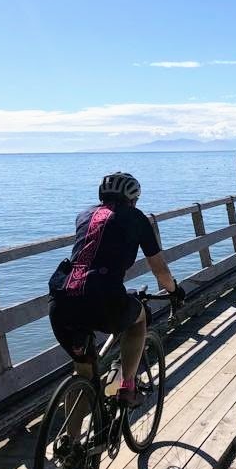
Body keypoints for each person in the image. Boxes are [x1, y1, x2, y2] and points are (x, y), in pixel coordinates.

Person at [48, 172, 184, 407]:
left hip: (62, 298)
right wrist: (174, 291)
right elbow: (160, 271)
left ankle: (71, 441)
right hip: (103, 297)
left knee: (83, 372)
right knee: (138, 318)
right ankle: (127, 388)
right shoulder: (136, 217)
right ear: (133, 199)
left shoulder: (84, 216)